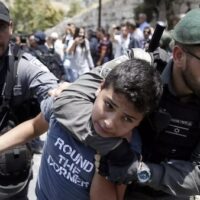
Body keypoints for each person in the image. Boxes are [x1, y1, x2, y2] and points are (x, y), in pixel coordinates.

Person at [0, 57, 163, 200]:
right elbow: (34, 126)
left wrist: (105, 161)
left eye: (127, 119)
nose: (109, 123)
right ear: (100, 87)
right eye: (109, 105)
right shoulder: (68, 107)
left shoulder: (127, 148)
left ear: (139, 122)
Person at [99, 8, 200, 200]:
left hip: (171, 192)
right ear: (178, 56)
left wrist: (141, 171)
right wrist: (112, 148)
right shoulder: (147, 72)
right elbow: (78, 98)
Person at [0, 2, 59, 199]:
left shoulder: (24, 66)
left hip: (11, 172)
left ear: (10, 27)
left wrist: (60, 93)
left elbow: (56, 94)